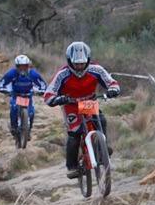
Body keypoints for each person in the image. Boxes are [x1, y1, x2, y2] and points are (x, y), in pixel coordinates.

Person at [44, 41, 120, 179]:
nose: (79, 66)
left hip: (88, 102)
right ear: (69, 62)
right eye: (76, 64)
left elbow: (111, 82)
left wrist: (113, 89)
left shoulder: (96, 69)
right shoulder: (62, 74)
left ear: (88, 60)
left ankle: (102, 148)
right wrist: (56, 99)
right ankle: (72, 166)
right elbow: (49, 93)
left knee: (101, 120)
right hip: (71, 105)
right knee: (74, 135)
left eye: (82, 63)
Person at [0, 55, 47, 139]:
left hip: (28, 95)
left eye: (25, 66)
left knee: (31, 112)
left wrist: (41, 91)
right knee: (13, 108)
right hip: (16, 95)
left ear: (28, 66)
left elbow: (43, 84)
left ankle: (28, 130)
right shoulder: (11, 73)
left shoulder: (33, 74)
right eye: (20, 66)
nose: (22, 68)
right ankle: (13, 127)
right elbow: (1, 83)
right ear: (16, 66)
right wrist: (4, 90)